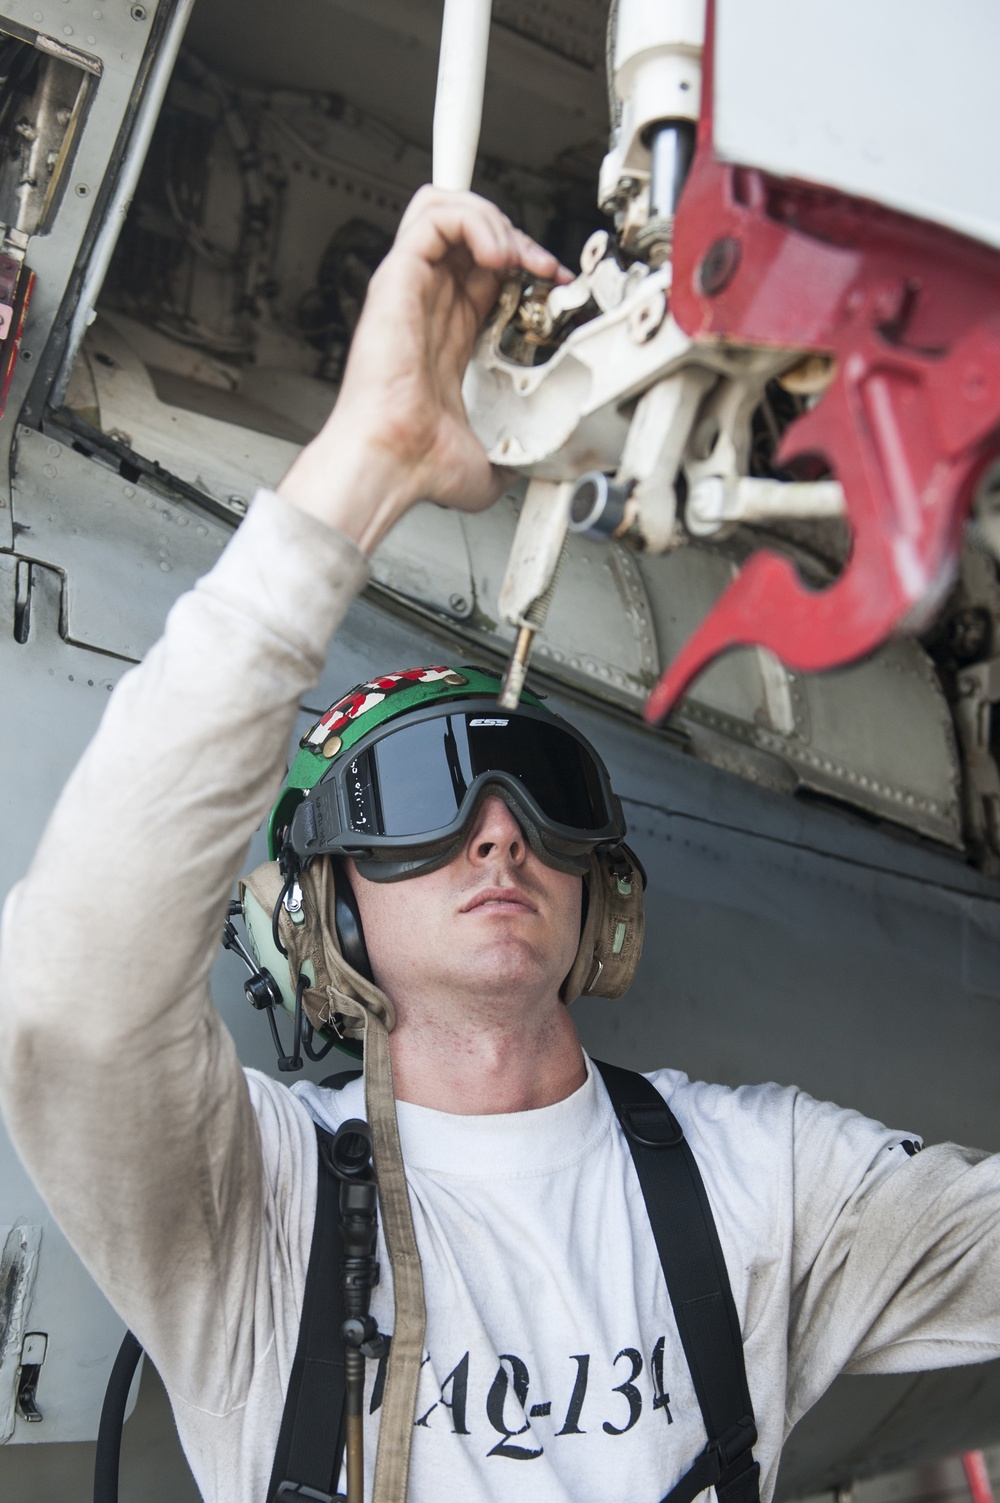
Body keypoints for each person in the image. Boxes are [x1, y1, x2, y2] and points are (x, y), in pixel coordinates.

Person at [2, 186, 1000, 1503]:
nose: (496, 833)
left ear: (605, 895)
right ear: (327, 914)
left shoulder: (766, 1187)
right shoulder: (254, 1212)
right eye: (420, 792)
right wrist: (367, 458)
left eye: (538, 786)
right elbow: (71, 1004)